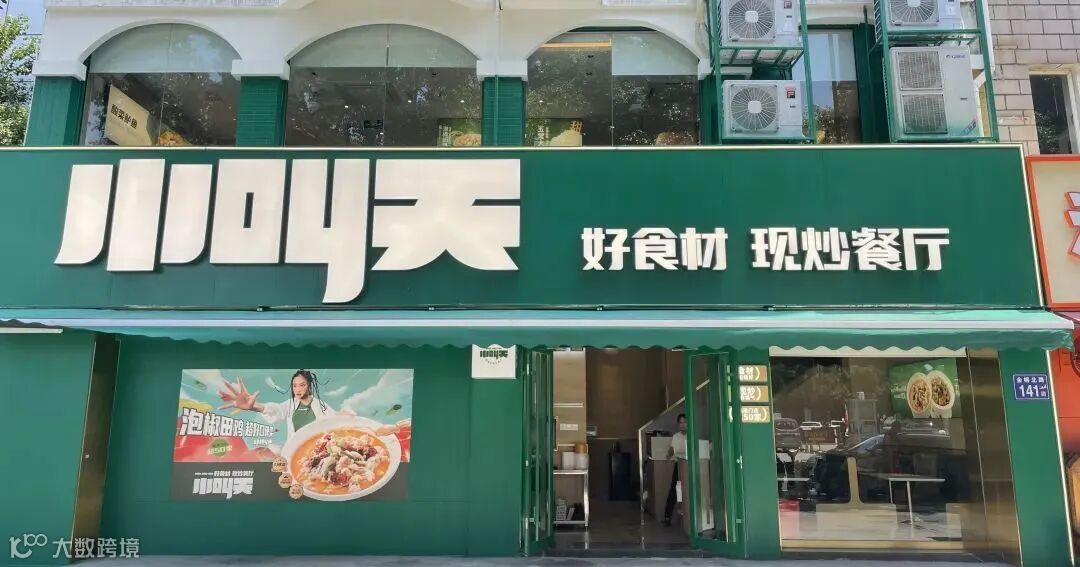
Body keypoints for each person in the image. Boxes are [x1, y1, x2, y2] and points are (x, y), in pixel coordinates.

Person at [218, 369, 334, 439]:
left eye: (302, 385)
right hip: (296, 452)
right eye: (294, 385)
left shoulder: (321, 406)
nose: (297, 389)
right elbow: (274, 409)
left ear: (309, 385)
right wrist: (253, 406)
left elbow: (335, 421)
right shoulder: (290, 405)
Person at [663, 413, 688, 526]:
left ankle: (688, 515)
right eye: (680, 423)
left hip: (689, 465)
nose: (682, 425)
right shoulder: (676, 436)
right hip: (679, 465)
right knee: (674, 490)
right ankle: (667, 517)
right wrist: (667, 456)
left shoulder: (692, 435)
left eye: (685, 422)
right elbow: (672, 450)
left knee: (688, 490)